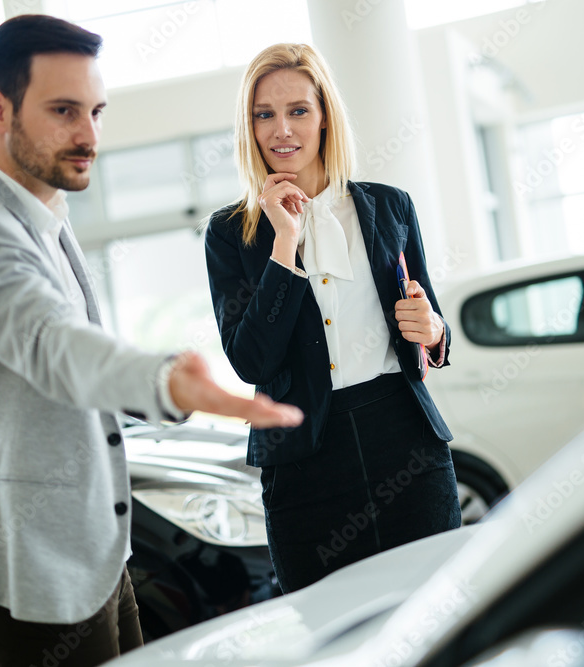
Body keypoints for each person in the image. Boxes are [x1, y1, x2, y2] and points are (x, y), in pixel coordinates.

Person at [0, 15, 301, 667]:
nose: (89, 135)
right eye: (64, 110)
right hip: (32, 568)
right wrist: (167, 381)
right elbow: (52, 344)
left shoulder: (41, 210)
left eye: (95, 111)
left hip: (91, 548)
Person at [204, 43, 461, 593]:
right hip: (303, 464)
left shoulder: (389, 206)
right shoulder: (230, 233)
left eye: (298, 110)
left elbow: (429, 320)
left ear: (324, 116)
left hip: (405, 441)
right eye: (263, 115)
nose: (282, 130)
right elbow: (252, 361)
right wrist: (285, 245)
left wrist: (434, 331)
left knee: (433, 615)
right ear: (248, 128)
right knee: (330, 635)